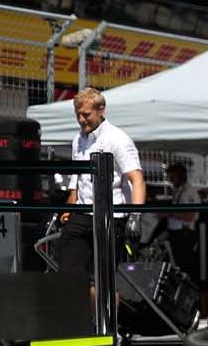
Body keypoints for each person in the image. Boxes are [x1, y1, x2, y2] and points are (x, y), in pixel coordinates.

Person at [51, 87, 144, 280]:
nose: (81, 119)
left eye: (86, 114)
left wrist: (135, 217)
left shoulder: (117, 139)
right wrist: (70, 206)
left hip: (111, 215)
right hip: (82, 214)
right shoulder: (78, 139)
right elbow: (78, 177)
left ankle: (105, 310)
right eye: (78, 115)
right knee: (67, 270)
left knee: (104, 278)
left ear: (101, 110)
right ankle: (77, 309)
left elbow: (137, 179)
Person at [160, 162, 200, 274]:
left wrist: (169, 214)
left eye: (172, 177)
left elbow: (190, 216)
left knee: (185, 267)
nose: (170, 180)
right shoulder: (178, 190)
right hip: (176, 234)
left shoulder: (189, 192)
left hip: (185, 234)